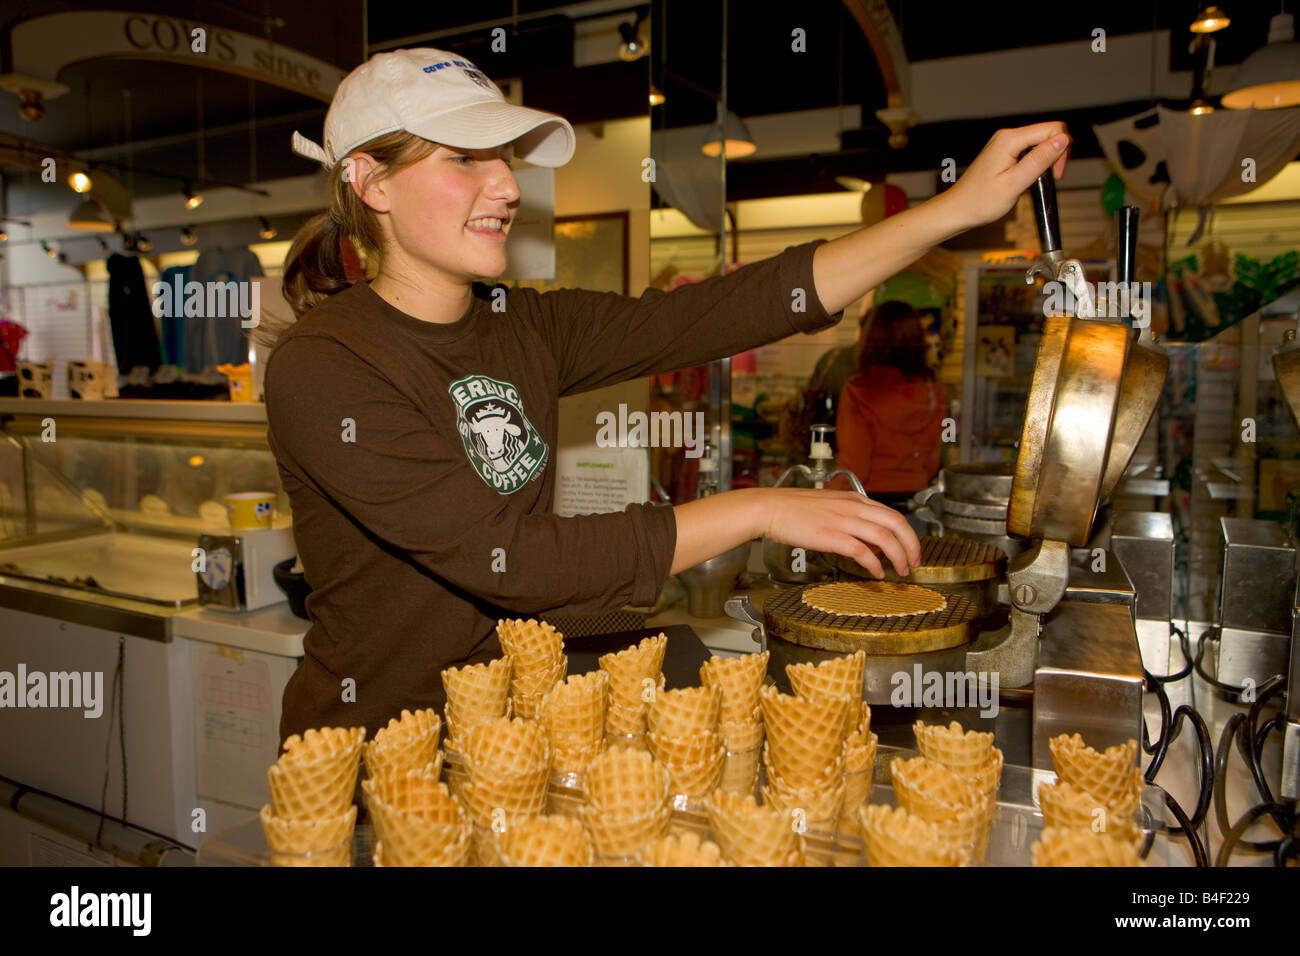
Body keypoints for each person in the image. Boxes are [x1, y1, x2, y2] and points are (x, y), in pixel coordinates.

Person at [258, 48, 1072, 740]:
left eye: (504, 158)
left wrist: (956, 210)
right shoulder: (324, 368)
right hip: (371, 751)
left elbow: (720, 310)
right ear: (371, 182)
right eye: (465, 159)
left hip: (511, 733)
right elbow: (512, 561)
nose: (507, 186)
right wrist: (756, 509)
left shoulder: (522, 326)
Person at [833, 301, 949, 518]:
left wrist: (827, 499)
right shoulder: (935, 392)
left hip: (867, 505)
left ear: (869, 339)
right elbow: (933, 459)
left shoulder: (859, 390)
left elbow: (855, 465)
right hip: (917, 504)